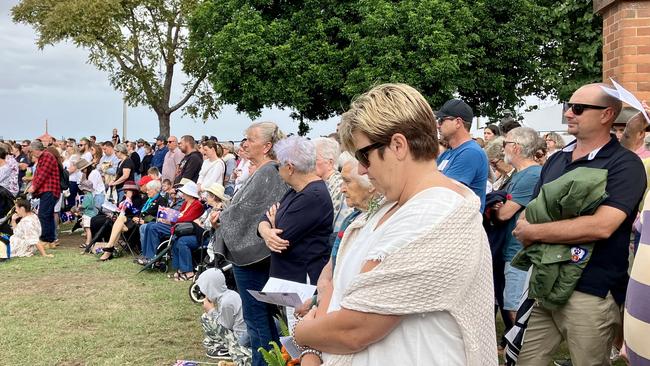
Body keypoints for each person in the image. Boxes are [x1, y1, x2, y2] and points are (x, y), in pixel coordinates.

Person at [293, 83, 496, 366]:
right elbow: (339, 289)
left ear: (398, 145)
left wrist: (303, 333)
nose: (362, 169)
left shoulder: (437, 215)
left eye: (364, 155)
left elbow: (355, 328)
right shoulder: (396, 206)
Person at [513, 83, 646, 366]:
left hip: (591, 289)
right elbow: (532, 211)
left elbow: (602, 226)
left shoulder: (625, 165)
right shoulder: (557, 159)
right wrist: (528, 225)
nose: (568, 114)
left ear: (607, 114)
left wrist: (533, 232)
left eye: (578, 108)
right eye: (567, 106)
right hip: (546, 283)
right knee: (528, 361)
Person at [213, 121, 288, 366]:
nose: (245, 143)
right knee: (262, 320)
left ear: (267, 146)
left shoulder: (269, 172)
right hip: (255, 255)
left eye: (250, 139)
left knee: (257, 321)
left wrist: (223, 216)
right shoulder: (263, 171)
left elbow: (248, 213)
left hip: (254, 258)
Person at [258, 136, 333, 285]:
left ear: (290, 168)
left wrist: (271, 226)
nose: (278, 170)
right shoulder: (296, 191)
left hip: (301, 282)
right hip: (289, 279)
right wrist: (267, 230)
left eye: (278, 166)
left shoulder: (313, 196)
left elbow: (282, 237)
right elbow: (265, 217)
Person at [491, 127, 542, 323]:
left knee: (515, 308)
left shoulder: (531, 175)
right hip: (511, 249)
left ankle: (519, 351)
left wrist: (495, 208)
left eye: (505, 144)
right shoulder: (519, 174)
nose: (503, 149)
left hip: (518, 252)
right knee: (510, 304)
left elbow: (504, 214)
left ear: (517, 148)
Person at [436, 98, 489, 212]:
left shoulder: (471, 153)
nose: (438, 125)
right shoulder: (449, 153)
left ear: (458, 122)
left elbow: (444, 193)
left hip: (462, 225)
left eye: (441, 120)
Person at [171, 182, 227, 281]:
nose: (206, 197)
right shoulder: (210, 209)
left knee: (183, 241)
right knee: (178, 239)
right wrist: (200, 223)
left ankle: (189, 272)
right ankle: (180, 269)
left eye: (208, 195)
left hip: (210, 238)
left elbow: (209, 226)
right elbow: (198, 221)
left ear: (213, 197)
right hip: (203, 234)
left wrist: (200, 223)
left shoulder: (220, 210)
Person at [139, 180, 204, 264]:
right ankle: (146, 255)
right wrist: (168, 217)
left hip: (182, 228)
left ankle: (151, 258)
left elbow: (187, 219)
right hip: (176, 225)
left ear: (189, 194)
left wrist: (170, 219)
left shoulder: (197, 205)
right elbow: (179, 216)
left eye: (184, 192)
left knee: (153, 227)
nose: (183, 194)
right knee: (150, 225)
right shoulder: (185, 203)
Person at [197, 268, 250, 363]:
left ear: (210, 288)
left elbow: (225, 326)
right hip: (244, 335)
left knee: (206, 317)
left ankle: (224, 349)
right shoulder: (230, 294)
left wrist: (211, 310)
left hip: (241, 339)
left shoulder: (226, 302)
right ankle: (222, 346)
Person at [93, 181, 143, 260]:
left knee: (120, 219)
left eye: (126, 191)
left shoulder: (138, 199)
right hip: (122, 222)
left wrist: (128, 198)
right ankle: (108, 250)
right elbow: (119, 209)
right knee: (117, 221)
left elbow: (135, 212)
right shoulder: (124, 198)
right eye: (124, 191)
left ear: (132, 191)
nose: (125, 193)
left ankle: (109, 247)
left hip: (132, 222)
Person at [27, 141, 61, 253]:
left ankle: (46, 239)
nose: (31, 154)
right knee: (48, 215)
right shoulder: (44, 157)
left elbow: (42, 174)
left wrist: (33, 187)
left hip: (50, 190)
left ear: (36, 149)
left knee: (43, 215)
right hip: (48, 190)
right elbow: (39, 174)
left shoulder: (46, 156)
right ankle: (51, 240)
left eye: (31, 151)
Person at [313, 137, 352, 234]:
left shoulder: (340, 185)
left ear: (330, 163)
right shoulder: (324, 183)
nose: (309, 163)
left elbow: (340, 226)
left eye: (314, 159)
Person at [78, 180, 98, 249]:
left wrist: (79, 207)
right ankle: (90, 242)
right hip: (92, 214)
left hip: (87, 215)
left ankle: (88, 243)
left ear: (84, 189)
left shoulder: (86, 196)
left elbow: (83, 206)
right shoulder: (91, 196)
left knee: (87, 229)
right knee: (89, 229)